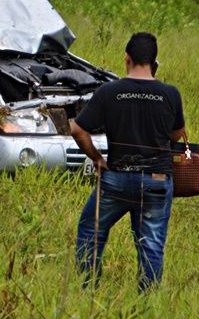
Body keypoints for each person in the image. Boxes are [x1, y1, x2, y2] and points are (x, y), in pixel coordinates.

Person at [72, 32, 188, 292]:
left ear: (127, 58)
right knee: (152, 243)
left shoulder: (109, 92)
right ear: (155, 63)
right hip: (157, 180)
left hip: (116, 178)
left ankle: (88, 289)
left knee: (91, 232)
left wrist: (98, 159)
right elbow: (177, 133)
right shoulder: (170, 94)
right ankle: (147, 301)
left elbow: (78, 130)